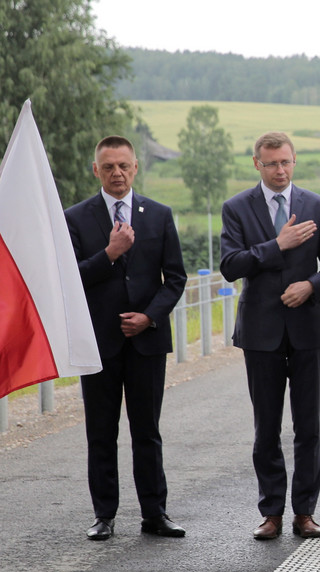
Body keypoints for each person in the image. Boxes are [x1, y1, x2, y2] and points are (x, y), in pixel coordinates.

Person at [220, 131, 320, 540]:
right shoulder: (236, 207)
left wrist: (312, 286)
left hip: (307, 329)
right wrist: (277, 244)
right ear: (257, 163)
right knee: (266, 427)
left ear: (295, 161)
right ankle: (271, 512)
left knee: (308, 426)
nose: (279, 170)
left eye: (286, 162)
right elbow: (231, 265)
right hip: (260, 332)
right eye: (271, 163)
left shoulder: (316, 204)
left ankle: (304, 512)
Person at [66, 135, 187, 541]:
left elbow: (176, 279)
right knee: (101, 432)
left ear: (136, 168)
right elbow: (71, 278)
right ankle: (104, 515)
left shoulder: (158, 214)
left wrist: (150, 316)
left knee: (147, 431)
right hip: (98, 344)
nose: (117, 173)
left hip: (146, 341)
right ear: (96, 170)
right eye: (108, 167)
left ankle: (155, 513)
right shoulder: (75, 218)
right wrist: (110, 253)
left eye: (124, 166)